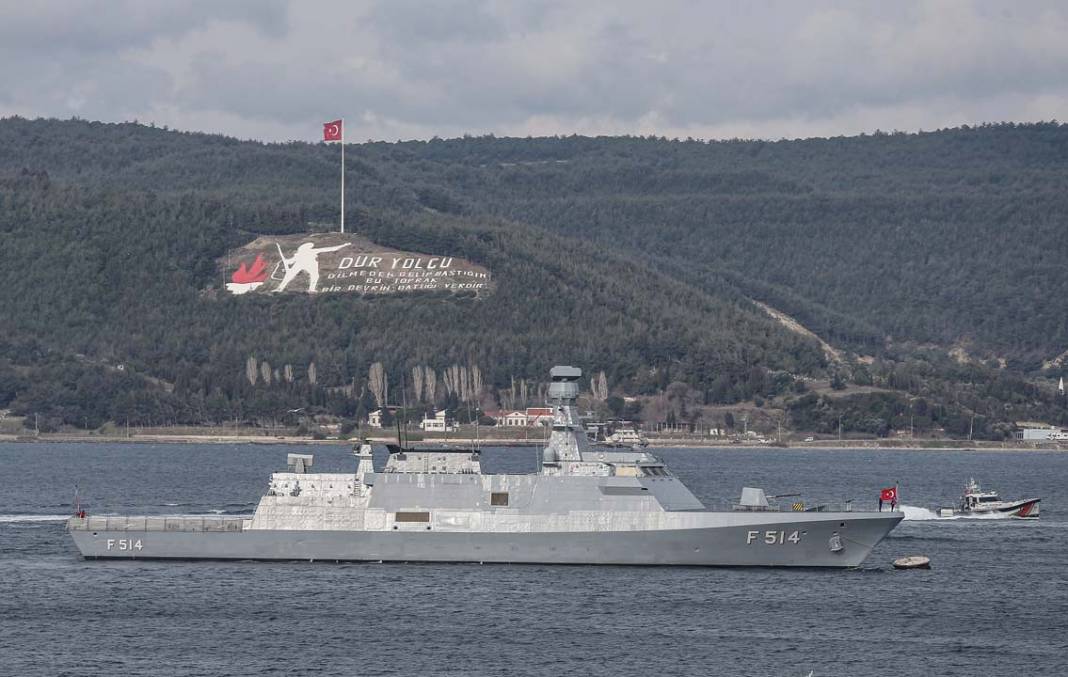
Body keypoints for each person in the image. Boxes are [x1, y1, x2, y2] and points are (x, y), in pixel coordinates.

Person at [274, 242, 350, 293]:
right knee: (289, 275)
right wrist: (286, 261)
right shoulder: (299, 254)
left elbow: (331, 249)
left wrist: (343, 245)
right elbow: (290, 262)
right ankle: (279, 288)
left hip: (310, 264)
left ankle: (311, 289)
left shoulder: (309, 252)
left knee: (315, 276)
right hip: (301, 264)